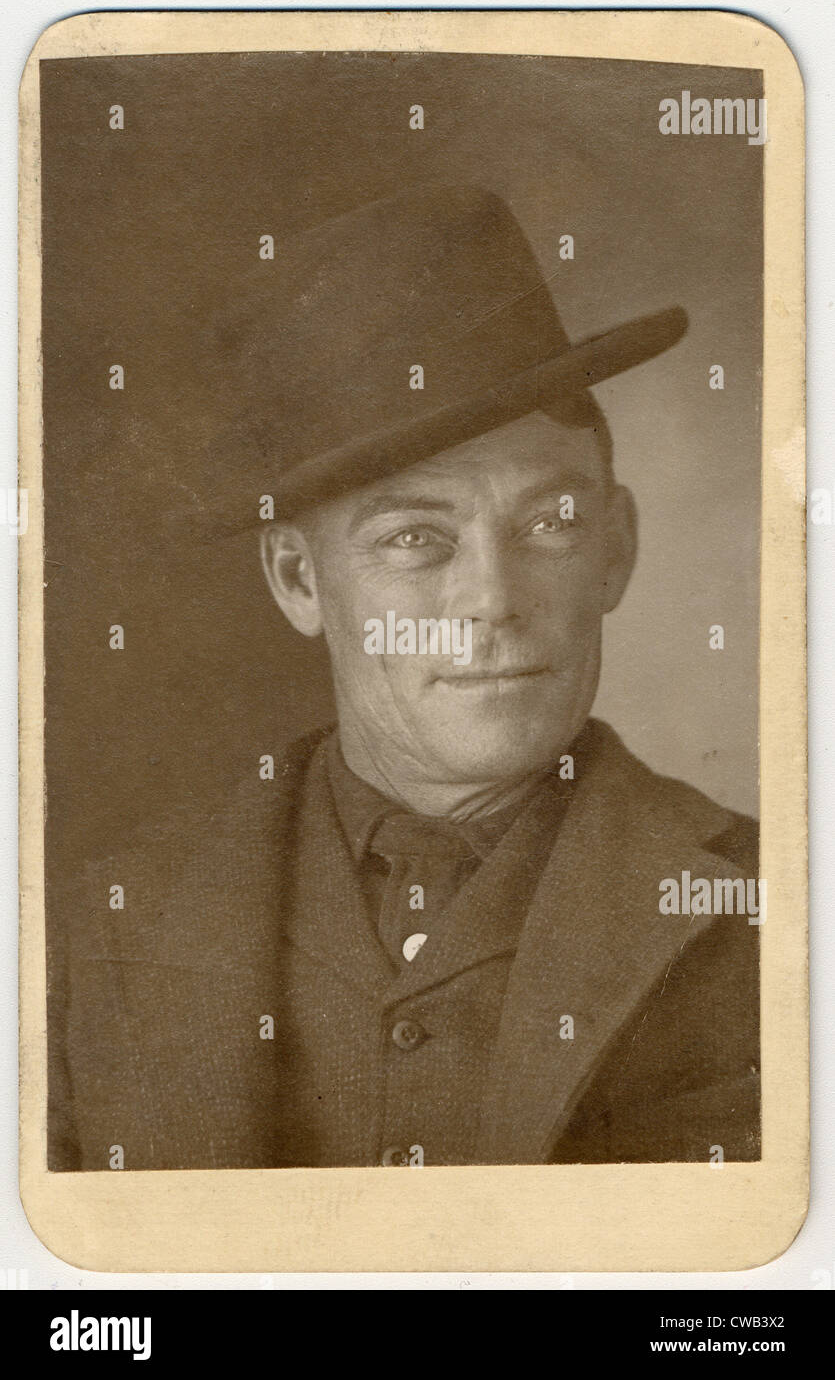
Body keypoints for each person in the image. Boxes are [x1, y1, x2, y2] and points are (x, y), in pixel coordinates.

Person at [50, 186, 759, 1170]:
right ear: (298, 579)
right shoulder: (96, 933)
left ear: (615, 548)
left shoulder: (778, 910)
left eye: (550, 522)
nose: (492, 600)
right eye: (417, 538)